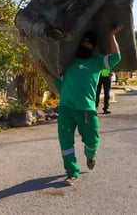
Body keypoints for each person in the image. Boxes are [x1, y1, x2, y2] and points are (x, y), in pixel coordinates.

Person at [37, 24, 123, 186]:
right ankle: (72, 173)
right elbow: (60, 85)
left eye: (90, 43)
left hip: (86, 110)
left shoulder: (97, 62)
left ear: (93, 46)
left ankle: (90, 155)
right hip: (66, 109)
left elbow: (116, 58)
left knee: (92, 141)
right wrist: (44, 71)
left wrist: (111, 35)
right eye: (84, 42)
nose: (86, 45)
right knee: (66, 143)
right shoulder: (69, 63)